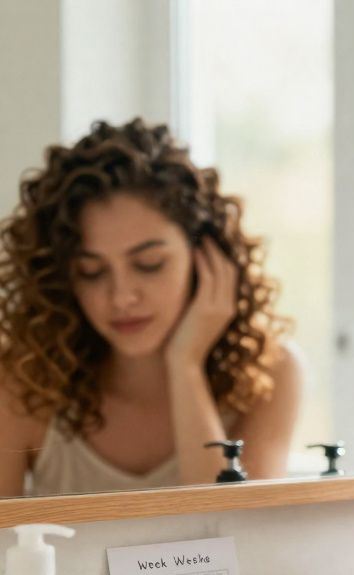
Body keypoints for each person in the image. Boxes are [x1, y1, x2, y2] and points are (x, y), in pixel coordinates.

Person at [0, 118, 302, 495]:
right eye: (91, 271)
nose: (122, 296)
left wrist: (186, 366)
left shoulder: (271, 373)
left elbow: (238, 532)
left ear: (207, 257)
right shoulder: (22, 379)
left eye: (149, 264)